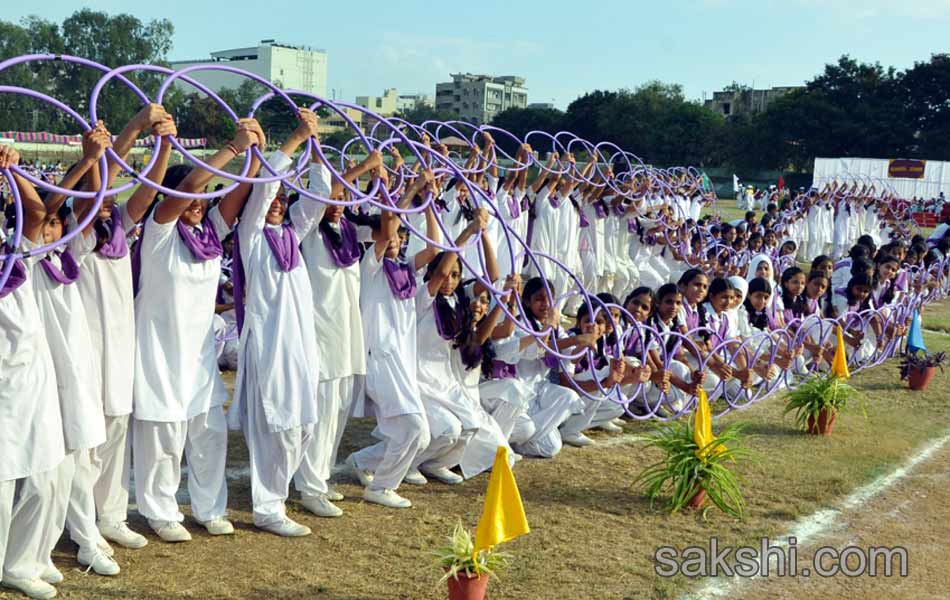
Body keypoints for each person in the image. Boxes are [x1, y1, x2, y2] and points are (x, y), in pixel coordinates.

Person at [132, 118, 266, 542]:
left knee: (209, 434)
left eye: (207, 196)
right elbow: (189, 187)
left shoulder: (209, 232)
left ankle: (210, 508)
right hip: (158, 355)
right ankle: (161, 512)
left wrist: (256, 152)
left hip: (200, 357)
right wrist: (232, 145)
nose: (200, 200)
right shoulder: (159, 231)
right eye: (193, 194)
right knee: (163, 439)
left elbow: (242, 188)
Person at [73, 104, 177, 550]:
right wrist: (132, 128)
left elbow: (148, 191)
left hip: (120, 345)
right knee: (85, 442)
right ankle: (82, 530)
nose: (111, 198)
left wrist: (165, 143)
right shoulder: (76, 233)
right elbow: (98, 193)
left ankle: (111, 515)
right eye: (103, 192)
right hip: (86, 350)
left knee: (116, 431)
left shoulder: (118, 226)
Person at [225, 110, 324, 536]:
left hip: (300, 344)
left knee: (304, 424)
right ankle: (268, 507)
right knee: (276, 425)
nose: (280, 201)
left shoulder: (292, 236)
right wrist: (296, 138)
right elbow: (263, 192)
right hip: (267, 342)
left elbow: (319, 200)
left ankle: (277, 495)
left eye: (286, 197)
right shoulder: (251, 235)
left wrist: (316, 146)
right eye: (275, 198)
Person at [346, 164, 442, 509]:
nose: (395, 241)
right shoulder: (368, 268)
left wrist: (429, 200)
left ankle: (364, 462)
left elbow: (435, 248)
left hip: (402, 360)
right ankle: (381, 487)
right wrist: (413, 188)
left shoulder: (405, 269)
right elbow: (387, 229)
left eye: (402, 237)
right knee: (414, 427)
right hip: (379, 358)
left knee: (422, 433)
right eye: (392, 236)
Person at [0, 144, 67, 600]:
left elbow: (39, 213)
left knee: (44, 475)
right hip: (3, 381)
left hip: (34, 375)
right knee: (2, 485)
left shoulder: (15, 250)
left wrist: (14, 169)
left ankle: (22, 565)